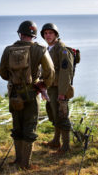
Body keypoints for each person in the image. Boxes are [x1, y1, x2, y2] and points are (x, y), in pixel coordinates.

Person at [0, 20, 55, 169]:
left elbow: (1, 72)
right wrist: (43, 84)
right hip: (32, 92)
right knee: (30, 126)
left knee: (17, 126)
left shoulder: (8, 49)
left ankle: (18, 159)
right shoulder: (40, 49)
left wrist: (13, 79)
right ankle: (26, 163)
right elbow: (50, 71)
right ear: (34, 35)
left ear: (20, 33)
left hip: (14, 94)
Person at [40, 23, 74, 153]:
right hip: (50, 88)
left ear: (56, 34)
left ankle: (66, 146)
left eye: (50, 33)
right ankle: (55, 141)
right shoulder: (48, 49)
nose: (47, 35)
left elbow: (66, 72)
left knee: (62, 116)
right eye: (45, 33)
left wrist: (62, 92)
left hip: (59, 88)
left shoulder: (62, 49)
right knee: (54, 114)